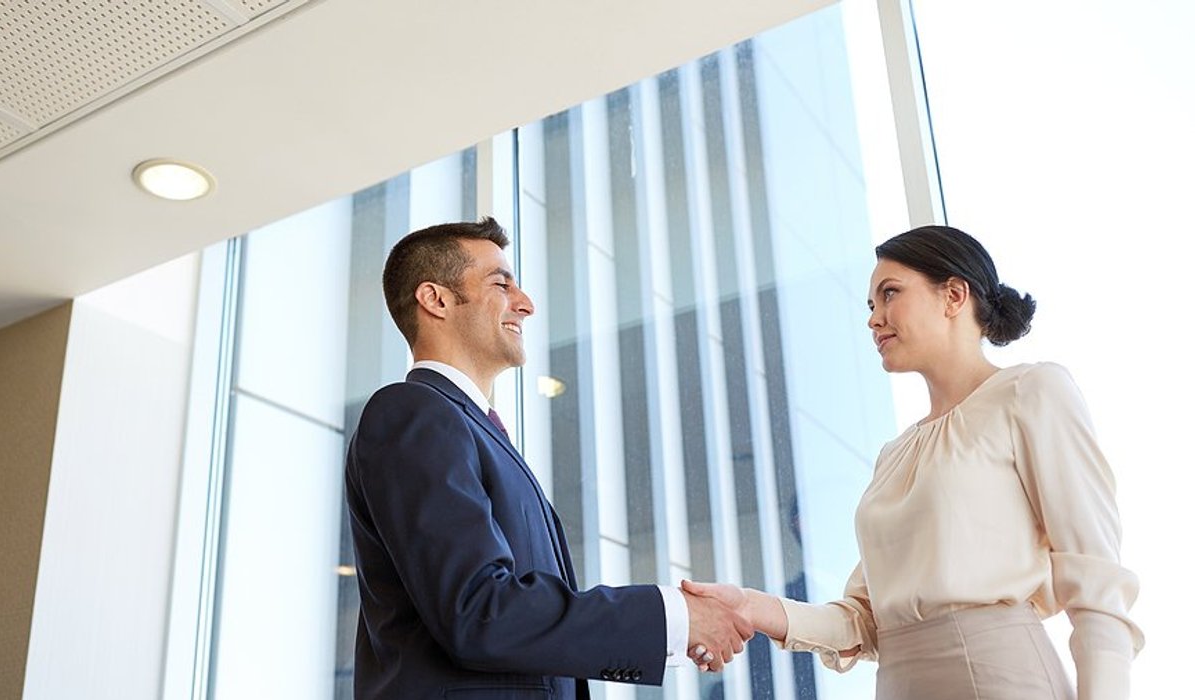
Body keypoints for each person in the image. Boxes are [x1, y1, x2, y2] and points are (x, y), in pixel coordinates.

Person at [682, 225, 1143, 699]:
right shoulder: (894, 455)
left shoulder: (1031, 392)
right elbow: (862, 620)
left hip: (998, 679)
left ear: (954, 295)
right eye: (870, 306)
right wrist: (751, 607)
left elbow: (1097, 580)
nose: (874, 319)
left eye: (890, 294)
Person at [344, 217, 752, 699]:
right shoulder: (413, 412)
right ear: (436, 299)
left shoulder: (469, 428)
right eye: (501, 283)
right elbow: (478, 611)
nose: (526, 303)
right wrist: (673, 619)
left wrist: (675, 630)